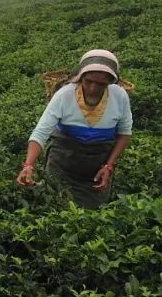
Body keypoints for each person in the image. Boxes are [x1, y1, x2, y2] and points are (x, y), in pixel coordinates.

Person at [16, 49, 132, 209]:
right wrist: (28, 165)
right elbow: (41, 132)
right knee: (56, 204)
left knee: (93, 212)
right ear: (80, 77)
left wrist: (108, 166)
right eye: (88, 81)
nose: (92, 88)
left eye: (101, 84)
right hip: (63, 161)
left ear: (111, 82)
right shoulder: (64, 95)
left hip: (98, 165)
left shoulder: (120, 97)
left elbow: (124, 133)